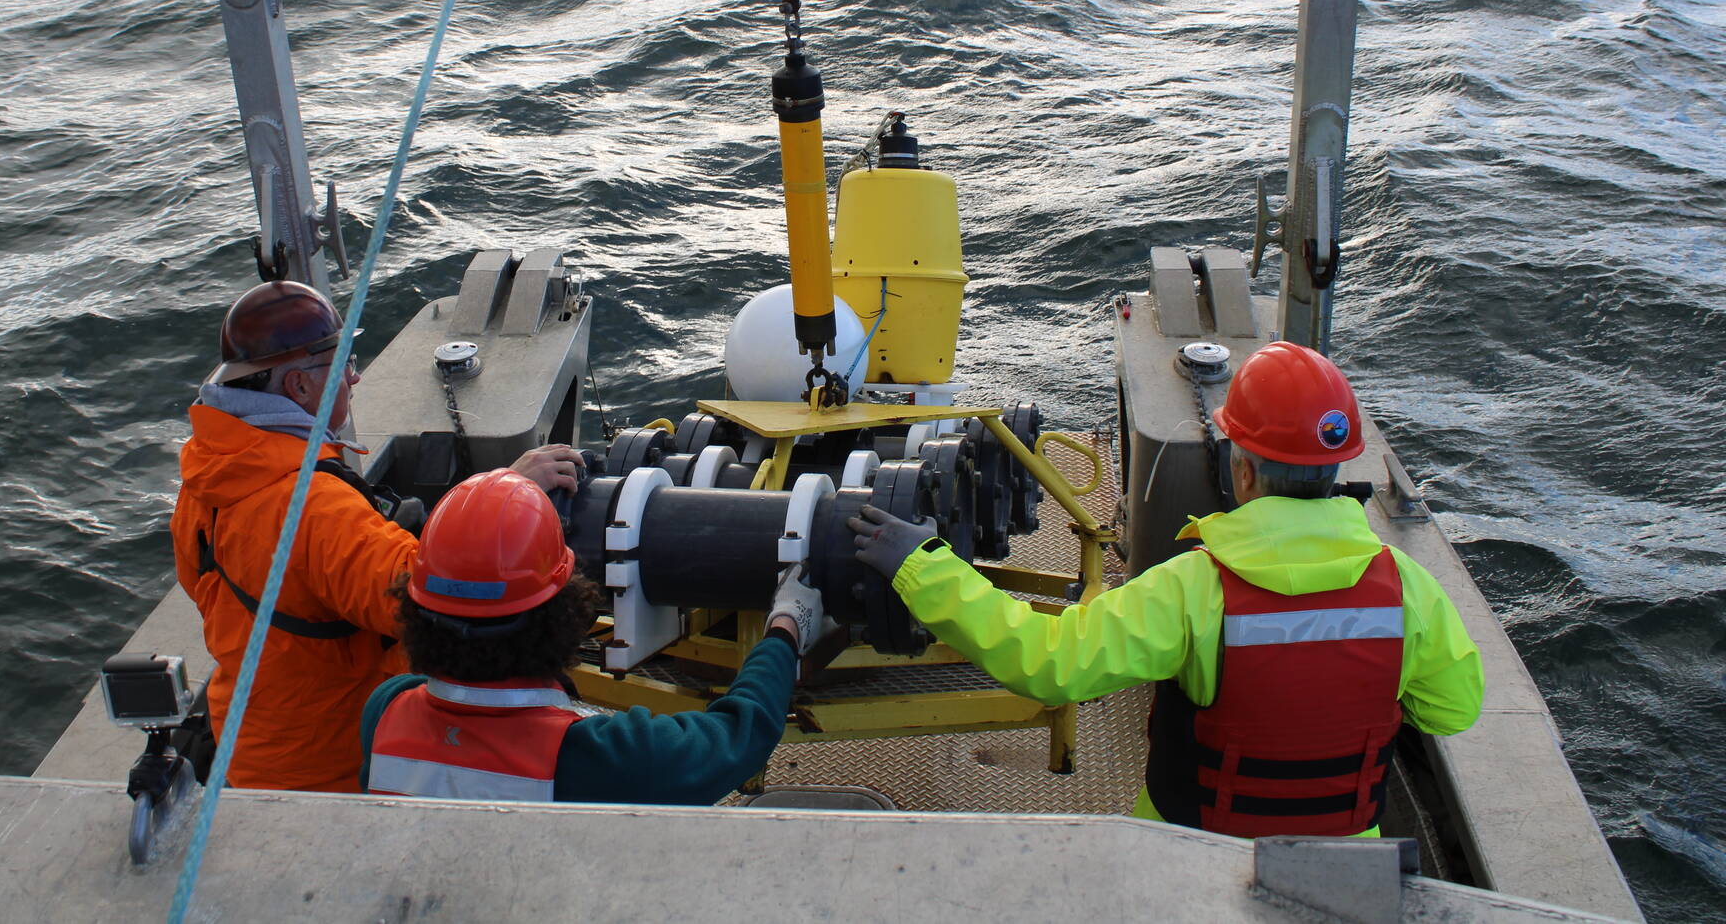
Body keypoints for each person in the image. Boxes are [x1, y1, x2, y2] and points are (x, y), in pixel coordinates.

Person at [849, 340, 1484, 839]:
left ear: (1242, 468)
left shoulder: (1193, 589)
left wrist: (922, 566)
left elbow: (1050, 662)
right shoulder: (1408, 590)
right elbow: (1452, 711)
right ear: (1337, 468)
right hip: (1348, 871)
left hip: (1196, 852)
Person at [170, 280, 582, 793]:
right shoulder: (315, 507)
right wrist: (507, 493)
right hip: (332, 772)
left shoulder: (209, 477)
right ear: (298, 387)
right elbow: (439, 598)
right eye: (342, 363)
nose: (356, 376)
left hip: (250, 747)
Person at [358, 468, 820, 803]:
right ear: (558, 618)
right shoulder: (595, 759)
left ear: (417, 614)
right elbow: (737, 736)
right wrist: (785, 626)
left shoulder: (385, 709)